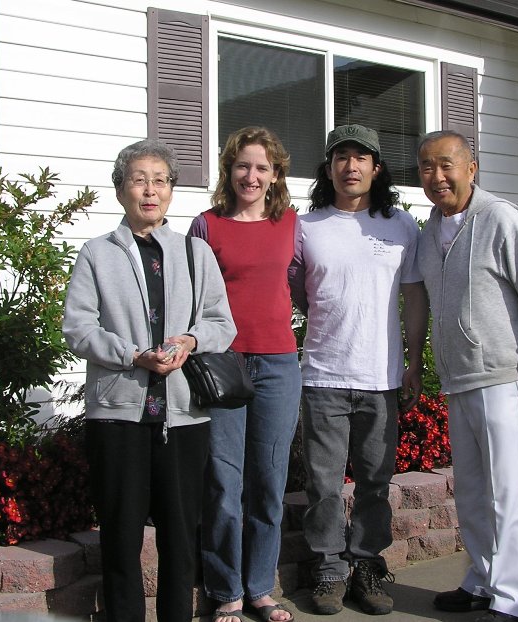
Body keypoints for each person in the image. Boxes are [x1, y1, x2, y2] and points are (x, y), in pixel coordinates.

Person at [63, 138, 237, 622]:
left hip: (184, 418)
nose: (150, 190)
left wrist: (190, 340)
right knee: (119, 535)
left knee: (182, 537)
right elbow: (78, 327)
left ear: (171, 191)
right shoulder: (97, 253)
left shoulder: (194, 252)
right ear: (120, 189)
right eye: (139, 180)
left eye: (160, 181)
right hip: (118, 416)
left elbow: (222, 323)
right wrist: (132, 355)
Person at [415, 130, 518, 622]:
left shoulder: (500, 219)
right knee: (475, 491)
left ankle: (517, 601)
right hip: (459, 380)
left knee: (507, 493)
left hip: (504, 379)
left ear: (471, 168)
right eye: (426, 167)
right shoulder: (429, 230)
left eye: (446, 165)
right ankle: (482, 580)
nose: (436, 177)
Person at [289, 124, 428, 616]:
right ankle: (328, 569)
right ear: (328, 169)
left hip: (382, 379)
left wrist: (414, 363)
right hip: (323, 375)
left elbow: (414, 296)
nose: (351, 166)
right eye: (340, 157)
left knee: (375, 481)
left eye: (361, 157)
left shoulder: (401, 226)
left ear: (376, 167)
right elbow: (299, 295)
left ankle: (367, 564)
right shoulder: (305, 227)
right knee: (324, 486)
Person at [189, 127, 301, 622]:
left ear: (276, 174)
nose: (251, 176)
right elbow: (188, 298)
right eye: (242, 166)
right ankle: (226, 590)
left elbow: (304, 284)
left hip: (279, 362)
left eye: (261, 167)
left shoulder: (293, 225)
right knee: (223, 483)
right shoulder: (207, 226)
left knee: (270, 481)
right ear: (228, 171)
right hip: (222, 365)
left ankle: (260, 586)